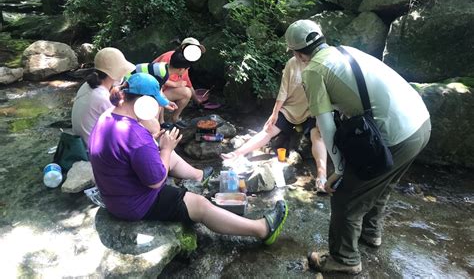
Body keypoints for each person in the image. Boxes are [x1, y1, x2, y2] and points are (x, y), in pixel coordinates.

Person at [285, 20, 431, 274]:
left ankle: (345, 259)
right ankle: (370, 234)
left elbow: (325, 125)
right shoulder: (346, 51)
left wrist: (339, 171)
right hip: (421, 124)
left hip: (396, 134)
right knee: (381, 183)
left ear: (297, 54)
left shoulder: (313, 70)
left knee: (347, 197)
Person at [88, 73, 288, 245]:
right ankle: (262, 229)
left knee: (168, 153)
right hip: (134, 204)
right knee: (200, 205)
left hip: (113, 193)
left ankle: (200, 176)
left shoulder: (108, 115)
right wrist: (165, 149)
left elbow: (128, 150)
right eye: (156, 103)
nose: (159, 109)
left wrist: (156, 140)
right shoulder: (136, 136)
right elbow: (156, 181)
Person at [220, 56, 328, 192]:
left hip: (312, 110)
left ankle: (322, 176)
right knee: (268, 130)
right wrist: (275, 112)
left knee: (317, 136)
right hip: (290, 108)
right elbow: (283, 90)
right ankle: (236, 153)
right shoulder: (292, 63)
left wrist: (321, 117)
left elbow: (325, 95)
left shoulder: (322, 64)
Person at [71, 47, 136, 146]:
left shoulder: (87, 86)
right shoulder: (102, 98)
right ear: (113, 74)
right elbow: (125, 125)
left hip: (82, 142)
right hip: (92, 150)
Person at [128, 50, 195, 128]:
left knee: (158, 102)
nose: (186, 71)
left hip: (134, 80)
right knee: (155, 106)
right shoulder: (163, 74)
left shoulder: (163, 66)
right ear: (181, 69)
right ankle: (152, 129)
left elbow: (158, 91)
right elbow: (156, 93)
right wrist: (165, 103)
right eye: (186, 69)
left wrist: (166, 102)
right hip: (130, 82)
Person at [153, 38, 206, 127]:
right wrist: (175, 84)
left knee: (187, 92)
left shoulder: (184, 63)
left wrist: (197, 101)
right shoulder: (169, 57)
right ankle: (161, 122)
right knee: (160, 94)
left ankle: (175, 118)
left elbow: (188, 84)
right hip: (153, 91)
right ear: (184, 47)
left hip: (164, 91)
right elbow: (157, 81)